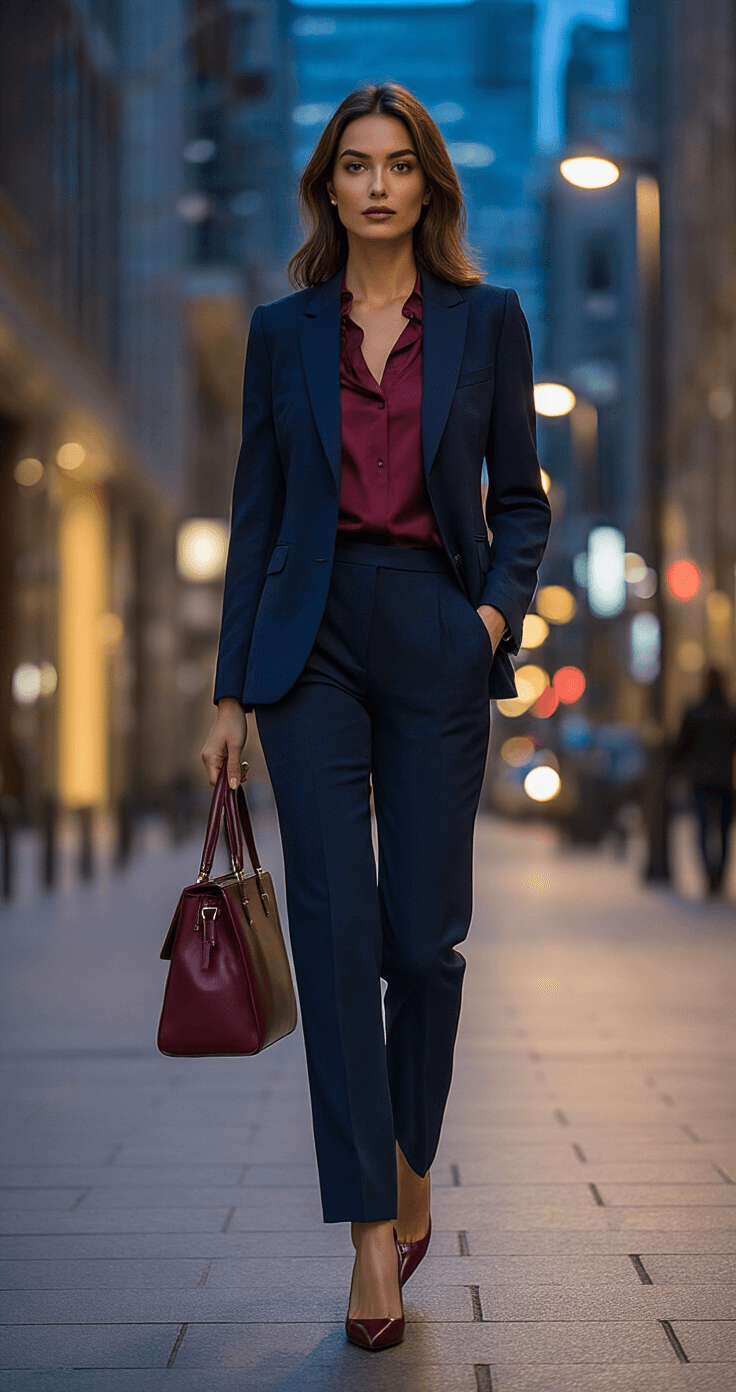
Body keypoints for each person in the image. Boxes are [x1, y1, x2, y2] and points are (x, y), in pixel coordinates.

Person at [201, 81, 551, 1350]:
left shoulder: (489, 320)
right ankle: (367, 1237)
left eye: (399, 165)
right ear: (328, 185)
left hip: (432, 628)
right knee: (339, 932)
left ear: (427, 184)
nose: (377, 185)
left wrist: (493, 618)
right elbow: (254, 514)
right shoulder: (279, 331)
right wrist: (230, 690)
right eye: (355, 165)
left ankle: (409, 1152)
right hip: (308, 643)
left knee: (423, 941)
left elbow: (521, 500)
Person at [671, 666, 736, 895]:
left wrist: (676, 770)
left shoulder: (695, 711)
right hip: (726, 781)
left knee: (703, 828)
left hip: (701, 779)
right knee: (725, 832)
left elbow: (682, 748)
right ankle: (719, 876)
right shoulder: (731, 712)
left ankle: (709, 875)